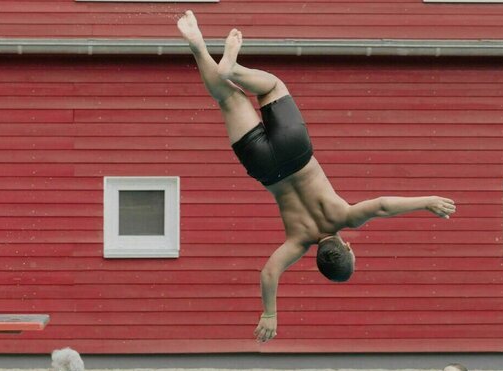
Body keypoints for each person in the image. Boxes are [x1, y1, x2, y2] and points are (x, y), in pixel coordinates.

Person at [177, 11, 457, 343]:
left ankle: (234, 68)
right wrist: (269, 313)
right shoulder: (298, 242)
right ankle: (197, 46)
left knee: (273, 86)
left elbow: (382, 206)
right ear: (319, 260)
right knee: (228, 98)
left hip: (297, 152)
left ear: (348, 247)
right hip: (266, 169)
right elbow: (269, 272)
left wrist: (427, 202)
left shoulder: (345, 217)